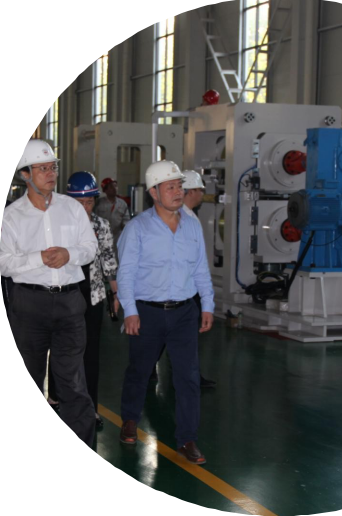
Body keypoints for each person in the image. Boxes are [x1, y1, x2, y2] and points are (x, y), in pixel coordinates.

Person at [0, 139, 97, 448]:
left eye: (52, 167)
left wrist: (69, 254)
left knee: (73, 383)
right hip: (29, 305)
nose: (51, 173)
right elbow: (3, 262)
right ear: (25, 175)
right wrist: (38, 259)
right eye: (42, 168)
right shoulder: (11, 217)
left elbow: (90, 248)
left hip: (70, 303)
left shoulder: (72, 208)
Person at [117, 160, 214, 465]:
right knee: (139, 371)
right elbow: (126, 273)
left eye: (179, 185)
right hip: (148, 312)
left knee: (188, 377)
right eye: (170, 186)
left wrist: (207, 304)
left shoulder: (192, 226)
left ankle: (187, 439)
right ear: (154, 192)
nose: (177, 191)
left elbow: (200, 269)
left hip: (184, 312)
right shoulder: (138, 228)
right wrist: (130, 311)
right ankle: (129, 419)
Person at [47, 172, 120, 428]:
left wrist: (115, 292)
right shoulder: (56, 226)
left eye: (89, 202)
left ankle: (91, 408)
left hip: (93, 295)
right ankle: (54, 395)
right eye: (79, 202)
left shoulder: (101, 226)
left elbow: (108, 259)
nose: (85, 207)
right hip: (64, 294)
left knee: (90, 352)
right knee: (60, 346)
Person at [182, 170, 216, 388]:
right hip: (186, 288)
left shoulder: (189, 216)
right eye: (200, 190)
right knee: (185, 336)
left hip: (189, 286)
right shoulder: (184, 218)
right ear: (191, 191)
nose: (203, 194)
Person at [94, 177, 130, 248]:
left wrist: (125, 228)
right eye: (111, 187)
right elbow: (93, 218)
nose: (114, 189)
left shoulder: (122, 204)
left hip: (118, 237)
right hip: (102, 237)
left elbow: (126, 220)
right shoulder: (99, 203)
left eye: (116, 186)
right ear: (105, 190)